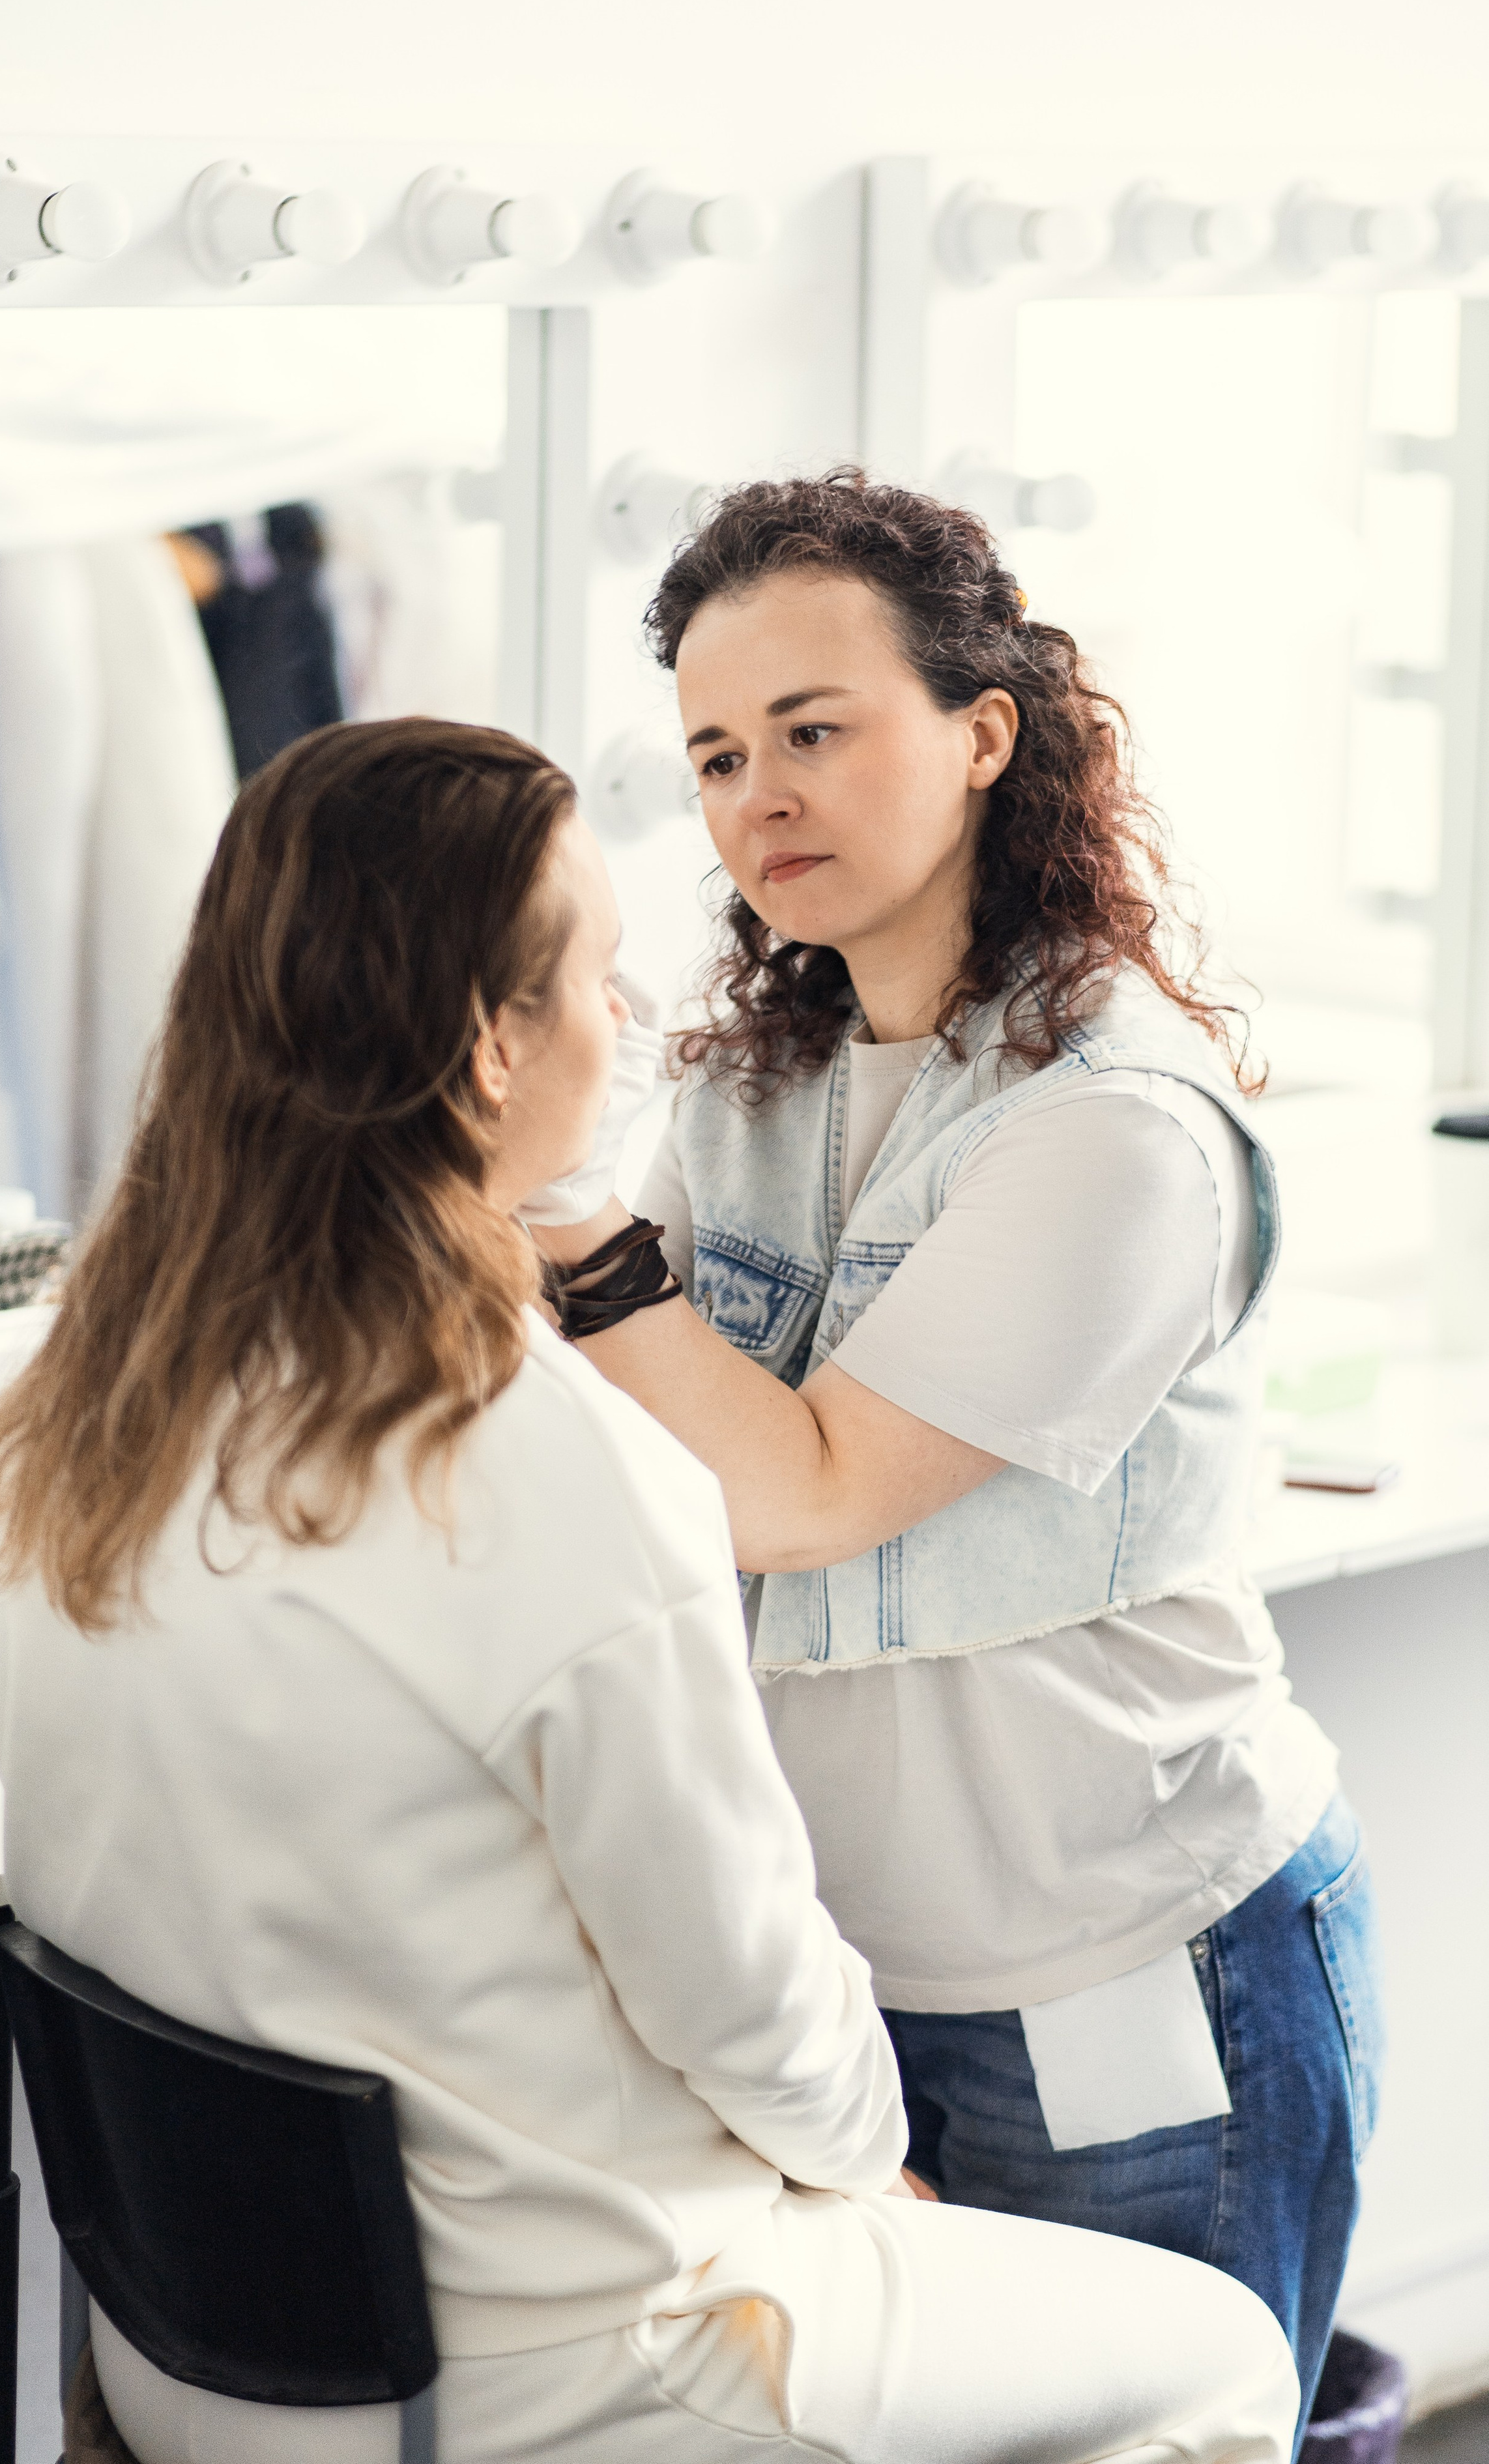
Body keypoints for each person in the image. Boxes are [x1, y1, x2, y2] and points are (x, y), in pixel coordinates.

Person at [0, 717, 1297, 2464]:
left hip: (203, 2367)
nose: (626, 1019)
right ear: (485, 1047)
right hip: (549, 2381)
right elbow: (756, 2011)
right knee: (1218, 2355)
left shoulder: (100, 1399)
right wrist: (867, 2174)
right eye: (595, 975)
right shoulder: (541, 1470)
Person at [528, 474, 1383, 2444]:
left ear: (986, 731)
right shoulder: (763, 1077)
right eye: (719, 757)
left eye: (816, 731)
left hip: (1124, 1973)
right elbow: (627, 1428)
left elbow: (804, 1490)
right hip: (851, 1980)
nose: (761, 799)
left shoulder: (1115, 1127)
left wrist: (558, 1226)